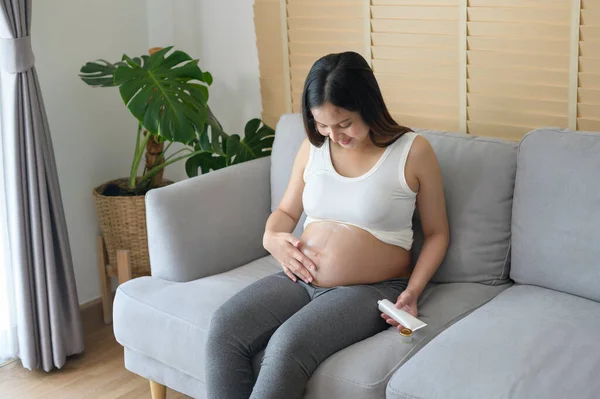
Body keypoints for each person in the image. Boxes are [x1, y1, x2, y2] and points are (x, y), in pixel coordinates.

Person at [205, 51, 449, 399]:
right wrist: (271, 236)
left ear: (368, 105)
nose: (333, 135)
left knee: (287, 346)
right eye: (322, 125)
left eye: (344, 123)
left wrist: (411, 292)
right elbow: (285, 213)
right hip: (299, 277)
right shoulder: (312, 148)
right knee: (224, 327)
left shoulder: (413, 152)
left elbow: (438, 234)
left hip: (371, 289)